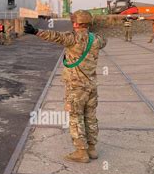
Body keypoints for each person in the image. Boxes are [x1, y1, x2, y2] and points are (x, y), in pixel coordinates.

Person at [24, 10, 107, 163]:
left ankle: (81, 152)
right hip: (91, 86)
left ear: (75, 23)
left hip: (76, 87)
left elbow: (55, 36)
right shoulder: (97, 39)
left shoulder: (71, 38)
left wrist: (35, 31)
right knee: (90, 116)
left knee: (76, 117)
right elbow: (103, 40)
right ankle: (92, 149)